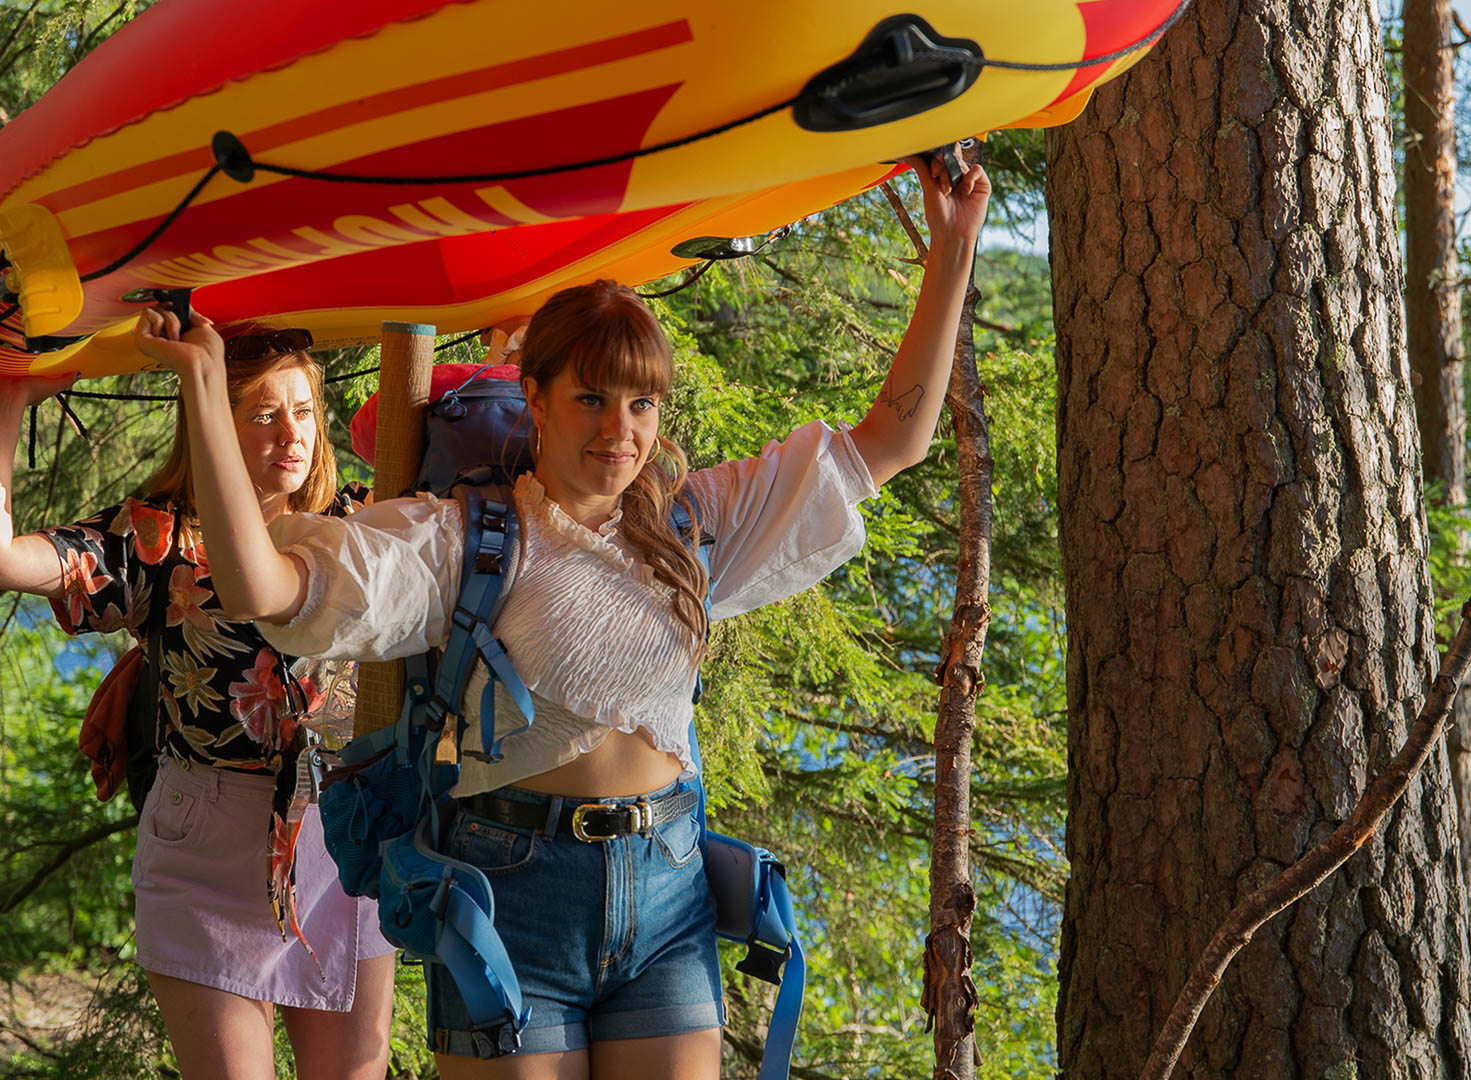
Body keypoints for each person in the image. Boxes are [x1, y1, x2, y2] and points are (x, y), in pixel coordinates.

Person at [138, 153, 991, 1080]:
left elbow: (893, 440)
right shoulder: (462, 540)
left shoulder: (693, 525)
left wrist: (952, 253)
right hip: (509, 899)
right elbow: (264, 586)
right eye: (590, 397)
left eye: (641, 403)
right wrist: (202, 385)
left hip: (668, 895)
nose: (619, 429)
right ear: (532, 398)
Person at [0, 330, 395, 1080]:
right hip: (207, 843)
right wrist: (5, 397)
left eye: (305, 410)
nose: (292, 434)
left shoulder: (359, 525)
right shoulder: (157, 539)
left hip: (340, 840)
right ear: (209, 420)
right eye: (262, 415)